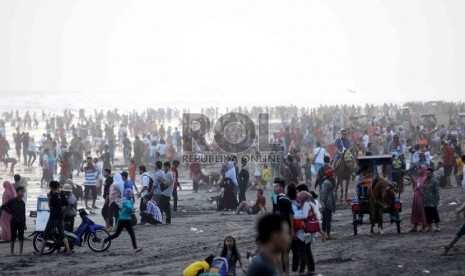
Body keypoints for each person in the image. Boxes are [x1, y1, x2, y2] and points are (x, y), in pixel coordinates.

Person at [37, 181, 72, 256]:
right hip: (60, 217)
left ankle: (41, 252)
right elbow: (68, 205)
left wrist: (48, 198)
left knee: (46, 234)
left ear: (51, 187)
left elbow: (50, 207)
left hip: (53, 218)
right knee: (62, 234)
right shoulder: (62, 194)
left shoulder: (53, 196)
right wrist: (63, 209)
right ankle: (68, 249)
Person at [101, 189, 142, 253]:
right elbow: (129, 207)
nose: (132, 195)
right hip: (124, 220)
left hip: (125, 219)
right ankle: (135, 248)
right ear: (128, 194)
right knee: (123, 234)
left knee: (121, 234)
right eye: (131, 194)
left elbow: (129, 209)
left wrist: (132, 209)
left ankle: (105, 240)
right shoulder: (125, 201)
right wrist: (132, 209)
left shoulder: (129, 200)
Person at [293, 191, 318, 275]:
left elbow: (305, 216)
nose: (298, 198)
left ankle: (302, 270)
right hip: (308, 230)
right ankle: (311, 269)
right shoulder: (309, 203)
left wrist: (294, 216)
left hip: (305, 231)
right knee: (307, 250)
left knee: (303, 251)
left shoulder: (306, 204)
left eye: (299, 197)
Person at [274, 178, 294, 276]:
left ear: (282, 188)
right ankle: (287, 273)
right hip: (288, 229)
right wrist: (293, 230)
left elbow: (277, 215)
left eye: (276, 187)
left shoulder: (277, 199)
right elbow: (291, 216)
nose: (275, 188)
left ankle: (280, 273)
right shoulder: (288, 200)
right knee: (285, 253)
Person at [0, 185, 26, 255]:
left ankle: (21, 252)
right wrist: (10, 212)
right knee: (13, 237)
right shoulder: (12, 201)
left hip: (21, 221)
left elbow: (23, 213)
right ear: (17, 192)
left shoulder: (22, 203)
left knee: (21, 237)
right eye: (21, 192)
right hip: (13, 221)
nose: (22, 193)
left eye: (23, 192)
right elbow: (3, 207)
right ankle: (12, 252)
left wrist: (25, 224)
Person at [410, 165, 427, 232]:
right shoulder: (419, 177)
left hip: (420, 196)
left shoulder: (424, 177)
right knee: (415, 211)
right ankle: (415, 226)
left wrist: (415, 181)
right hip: (416, 196)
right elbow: (415, 185)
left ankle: (424, 225)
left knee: (421, 211)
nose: (418, 171)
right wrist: (413, 180)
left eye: (420, 170)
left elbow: (421, 187)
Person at [320, 169, 336, 240]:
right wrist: (324, 203)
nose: (334, 176)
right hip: (327, 204)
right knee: (327, 221)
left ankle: (323, 235)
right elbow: (324, 194)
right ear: (330, 176)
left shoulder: (327, 182)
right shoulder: (327, 183)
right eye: (333, 175)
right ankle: (328, 235)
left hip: (326, 203)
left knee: (324, 220)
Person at [423, 168, 440, 232]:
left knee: (435, 214)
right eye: (426, 173)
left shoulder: (434, 181)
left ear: (432, 174)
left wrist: (436, 201)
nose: (427, 174)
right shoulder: (426, 181)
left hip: (432, 201)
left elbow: (437, 192)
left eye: (429, 173)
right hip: (426, 201)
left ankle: (437, 227)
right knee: (427, 214)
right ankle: (429, 227)